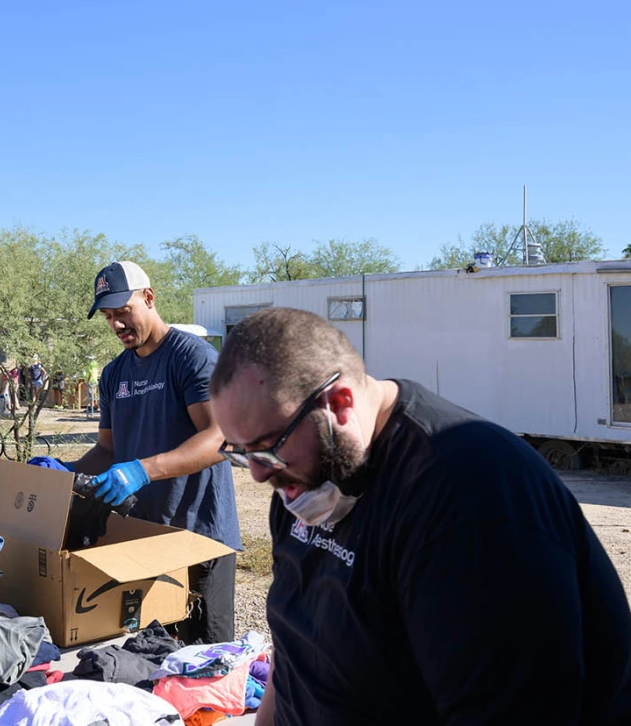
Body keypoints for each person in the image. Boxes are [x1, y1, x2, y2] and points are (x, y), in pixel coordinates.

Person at [209, 307, 631, 725]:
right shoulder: (307, 475)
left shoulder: (470, 497)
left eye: (266, 447)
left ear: (339, 403)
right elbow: (293, 653)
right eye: (242, 452)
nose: (260, 473)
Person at [67, 261, 242, 645]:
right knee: (149, 657)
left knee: (204, 664)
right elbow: (108, 449)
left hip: (199, 537)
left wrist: (144, 470)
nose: (116, 325)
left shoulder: (190, 357)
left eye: (123, 312)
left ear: (148, 298)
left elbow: (221, 437)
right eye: (109, 317)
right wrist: (64, 472)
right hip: (144, 536)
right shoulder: (114, 373)